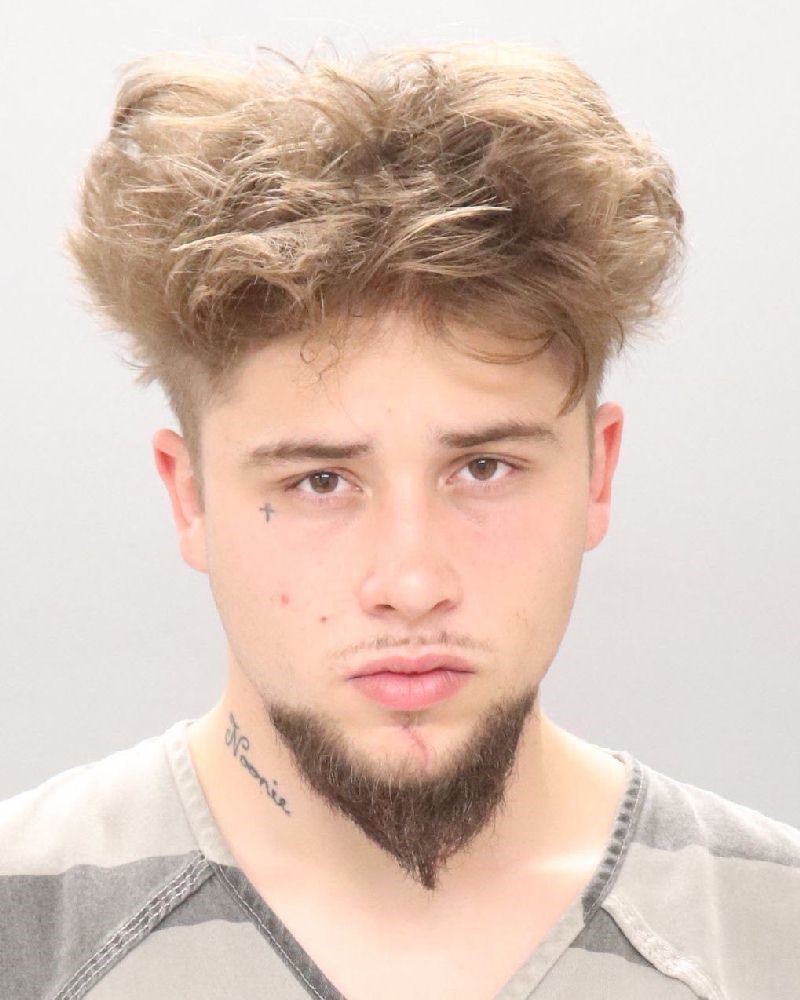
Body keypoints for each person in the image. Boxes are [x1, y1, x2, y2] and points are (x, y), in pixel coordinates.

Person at [1, 41, 797, 1000]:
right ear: (190, 496)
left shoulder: (775, 933)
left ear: (599, 472)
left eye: (484, 468)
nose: (413, 584)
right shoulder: (22, 926)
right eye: (320, 481)